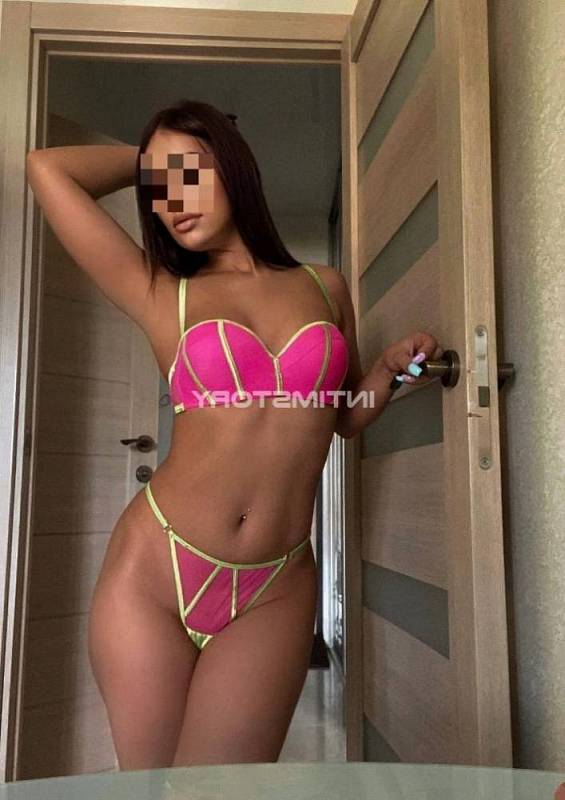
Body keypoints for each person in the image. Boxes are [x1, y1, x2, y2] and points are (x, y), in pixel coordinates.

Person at [25, 99, 442, 770]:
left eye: (188, 173)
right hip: (154, 571)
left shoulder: (325, 287)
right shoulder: (160, 292)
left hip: (276, 583)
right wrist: (150, 161)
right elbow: (46, 169)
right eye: (158, 187)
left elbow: (342, 417)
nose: (171, 199)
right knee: (151, 789)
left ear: (233, 166)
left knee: (221, 788)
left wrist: (389, 374)